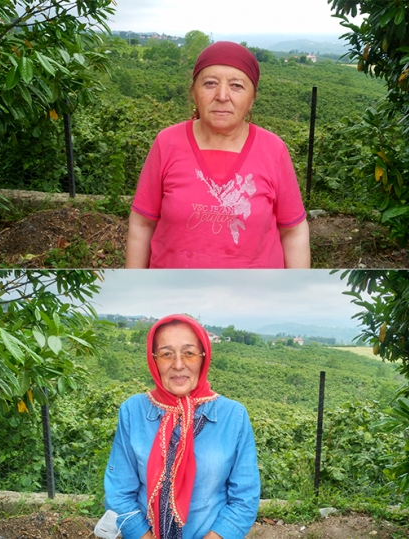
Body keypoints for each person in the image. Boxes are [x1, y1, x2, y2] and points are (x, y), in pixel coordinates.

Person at [125, 41, 310, 268]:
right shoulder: (167, 143)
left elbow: (293, 231)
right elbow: (142, 224)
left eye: (237, 86)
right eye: (210, 83)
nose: (222, 95)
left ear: (253, 98)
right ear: (193, 92)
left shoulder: (273, 149)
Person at [102, 314, 260, 539]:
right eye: (167, 354)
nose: (178, 364)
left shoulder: (233, 416)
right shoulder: (133, 412)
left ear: (203, 358)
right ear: (154, 359)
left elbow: (244, 499)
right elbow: (119, 492)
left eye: (189, 353)